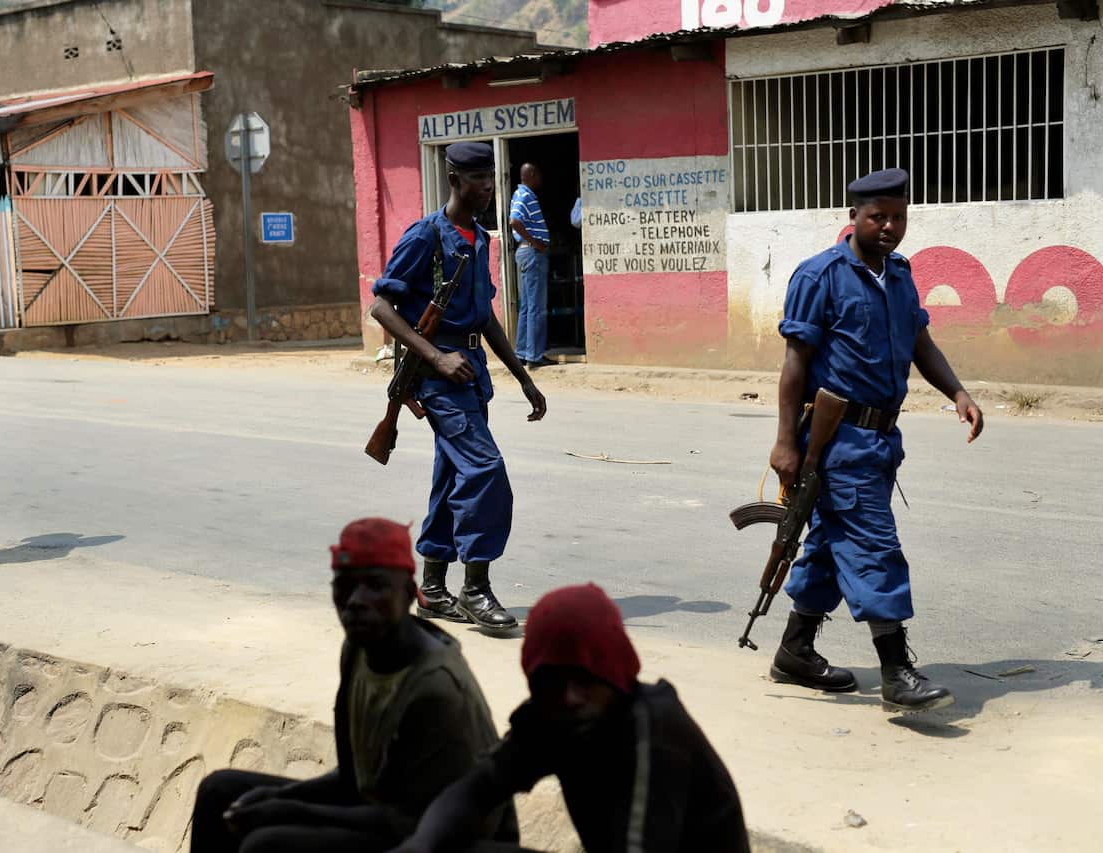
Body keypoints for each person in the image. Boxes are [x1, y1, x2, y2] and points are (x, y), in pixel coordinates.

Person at [768, 168, 984, 712]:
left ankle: (795, 650)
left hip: (882, 440)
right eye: (877, 217)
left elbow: (920, 343)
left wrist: (957, 392)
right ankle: (896, 671)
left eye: (898, 217)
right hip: (836, 440)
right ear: (853, 217)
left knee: (829, 545)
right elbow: (795, 366)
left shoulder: (901, 275)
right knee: (873, 546)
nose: (889, 226)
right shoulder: (819, 276)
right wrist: (785, 443)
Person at [190, 518, 519, 853]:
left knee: (267, 844)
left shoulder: (434, 688)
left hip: (447, 839)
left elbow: (414, 824)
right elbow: (352, 779)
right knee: (221, 790)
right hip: (393, 814)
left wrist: (292, 809)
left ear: (409, 594)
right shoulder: (359, 647)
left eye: (375, 586)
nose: (356, 601)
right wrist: (281, 796)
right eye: (345, 585)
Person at [392, 583, 749, 853]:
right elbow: (475, 790)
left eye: (585, 680)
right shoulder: (551, 716)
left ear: (614, 672)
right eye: (552, 682)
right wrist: (420, 846)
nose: (571, 696)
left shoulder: (652, 729)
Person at [369, 142, 546, 635]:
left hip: (471, 374)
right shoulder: (426, 235)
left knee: (452, 477)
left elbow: (484, 316)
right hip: (438, 378)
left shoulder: (480, 239)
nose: (487, 187)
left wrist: (524, 377)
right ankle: (475, 588)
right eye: (478, 179)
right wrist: (436, 357)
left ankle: (431, 588)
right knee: (485, 470)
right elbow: (381, 307)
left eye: (491, 178)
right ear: (454, 180)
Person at [509, 162, 553, 368]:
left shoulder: (520, 194)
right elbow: (514, 221)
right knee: (536, 307)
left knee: (527, 307)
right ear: (532, 174)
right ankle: (535, 356)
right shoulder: (525, 195)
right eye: (539, 175)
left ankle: (522, 353)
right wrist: (535, 242)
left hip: (527, 252)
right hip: (532, 253)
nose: (541, 180)